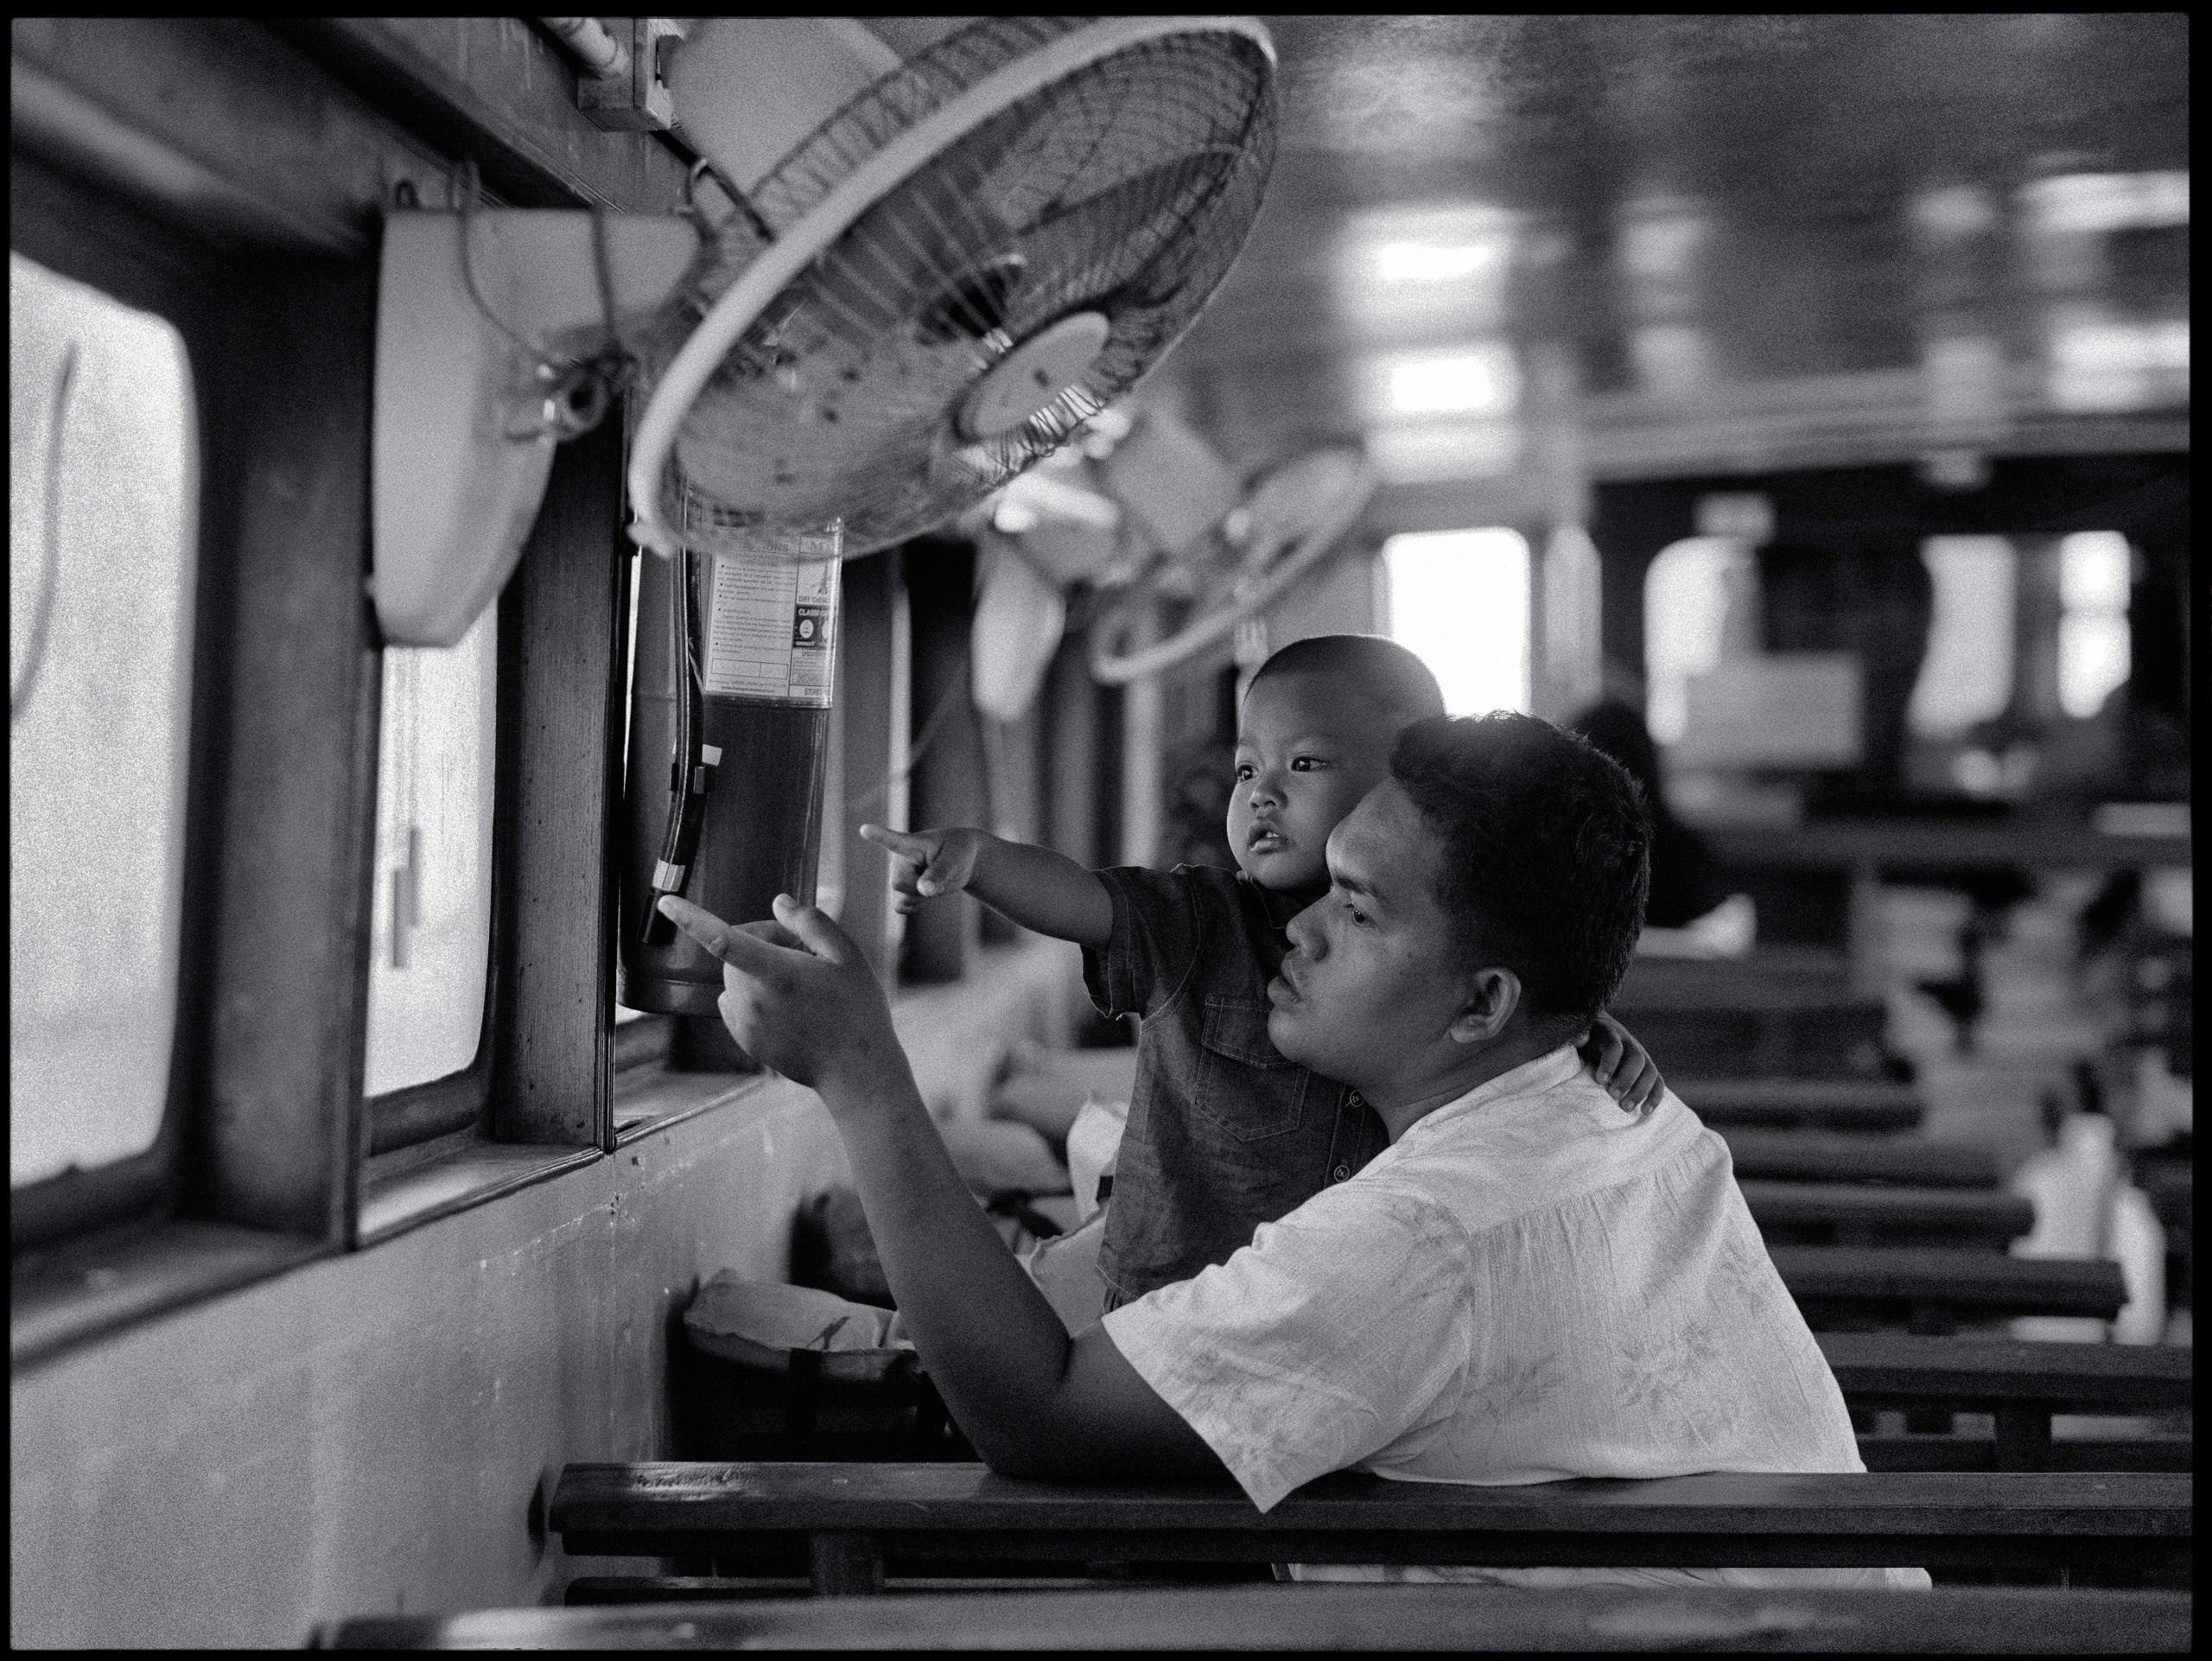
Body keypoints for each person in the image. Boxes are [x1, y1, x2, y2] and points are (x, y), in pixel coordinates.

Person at [659, 710, 1925, 1589]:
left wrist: (860, 1074)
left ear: (1482, 1003)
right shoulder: (1596, 1084)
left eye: (1357, 907)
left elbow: (1037, 1417)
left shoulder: (1426, 1234)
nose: (1296, 931)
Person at [862, 636, 1665, 1314]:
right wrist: (981, 862)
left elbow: (1510, 1012)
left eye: (1305, 763)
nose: (1263, 795)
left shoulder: (1442, 950)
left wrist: (1579, 1031)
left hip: (1327, 1306)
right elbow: (1084, 898)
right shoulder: (1200, 924)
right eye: (1248, 771)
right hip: (1169, 1299)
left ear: (1407, 781)